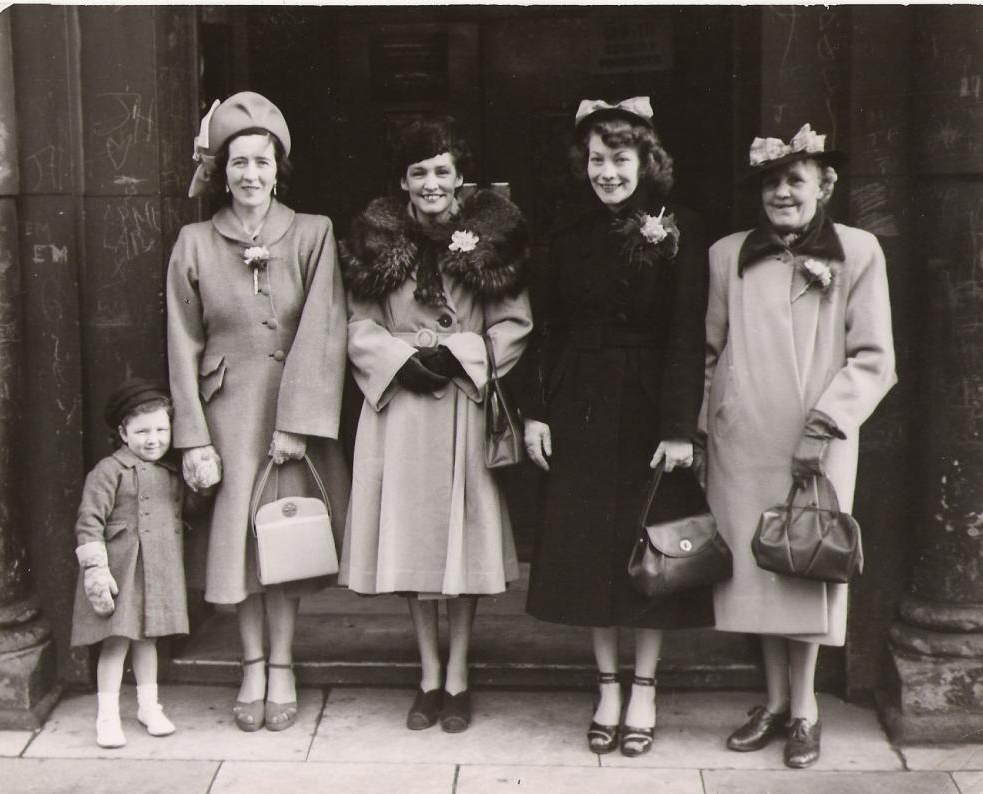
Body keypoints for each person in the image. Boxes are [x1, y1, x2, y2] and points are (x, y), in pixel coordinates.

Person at [521, 97, 713, 756]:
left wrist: (679, 427)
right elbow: (542, 332)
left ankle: (646, 687)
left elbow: (687, 334)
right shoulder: (562, 234)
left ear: (645, 161)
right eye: (597, 159)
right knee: (587, 551)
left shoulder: (681, 227)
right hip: (577, 402)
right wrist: (538, 413)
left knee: (647, 544)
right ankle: (606, 684)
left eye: (620, 158)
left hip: (648, 407)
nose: (608, 172)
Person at [703, 124, 896, 768]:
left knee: (804, 560)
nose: (782, 192)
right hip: (744, 434)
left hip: (818, 434)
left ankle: (806, 707)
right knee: (759, 565)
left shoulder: (859, 251)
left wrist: (827, 424)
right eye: (771, 181)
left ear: (825, 185)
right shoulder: (727, 254)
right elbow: (711, 351)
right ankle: (775, 700)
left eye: (795, 179)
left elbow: (874, 357)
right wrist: (710, 425)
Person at [337, 115, 532, 734]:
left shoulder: (492, 243)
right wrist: (398, 360)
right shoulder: (373, 244)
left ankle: (460, 675)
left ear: (460, 178)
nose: (431, 183)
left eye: (441, 171)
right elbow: (355, 322)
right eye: (418, 172)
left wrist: (460, 356)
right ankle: (426, 674)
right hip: (400, 406)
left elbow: (515, 324)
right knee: (414, 540)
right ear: (403, 181)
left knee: (462, 538)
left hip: (461, 403)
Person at [167, 92, 350, 733]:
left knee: (283, 540)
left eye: (262, 162)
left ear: (279, 168)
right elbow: (182, 341)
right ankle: (250, 666)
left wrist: (297, 424)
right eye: (238, 162)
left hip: (288, 413)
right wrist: (193, 439)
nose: (250, 174)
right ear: (222, 171)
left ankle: (283, 666)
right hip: (227, 417)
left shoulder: (313, 233)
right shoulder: (193, 242)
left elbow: (325, 330)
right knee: (239, 547)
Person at [71, 378, 190, 749]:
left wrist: (203, 481)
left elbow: (186, 513)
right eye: (141, 431)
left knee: (148, 641)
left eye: (160, 429)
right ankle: (106, 716)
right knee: (115, 642)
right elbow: (89, 520)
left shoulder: (170, 474)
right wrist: (96, 569)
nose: (152, 439)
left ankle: (148, 707)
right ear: (123, 432)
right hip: (120, 572)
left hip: (156, 572)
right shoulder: (109, 472)